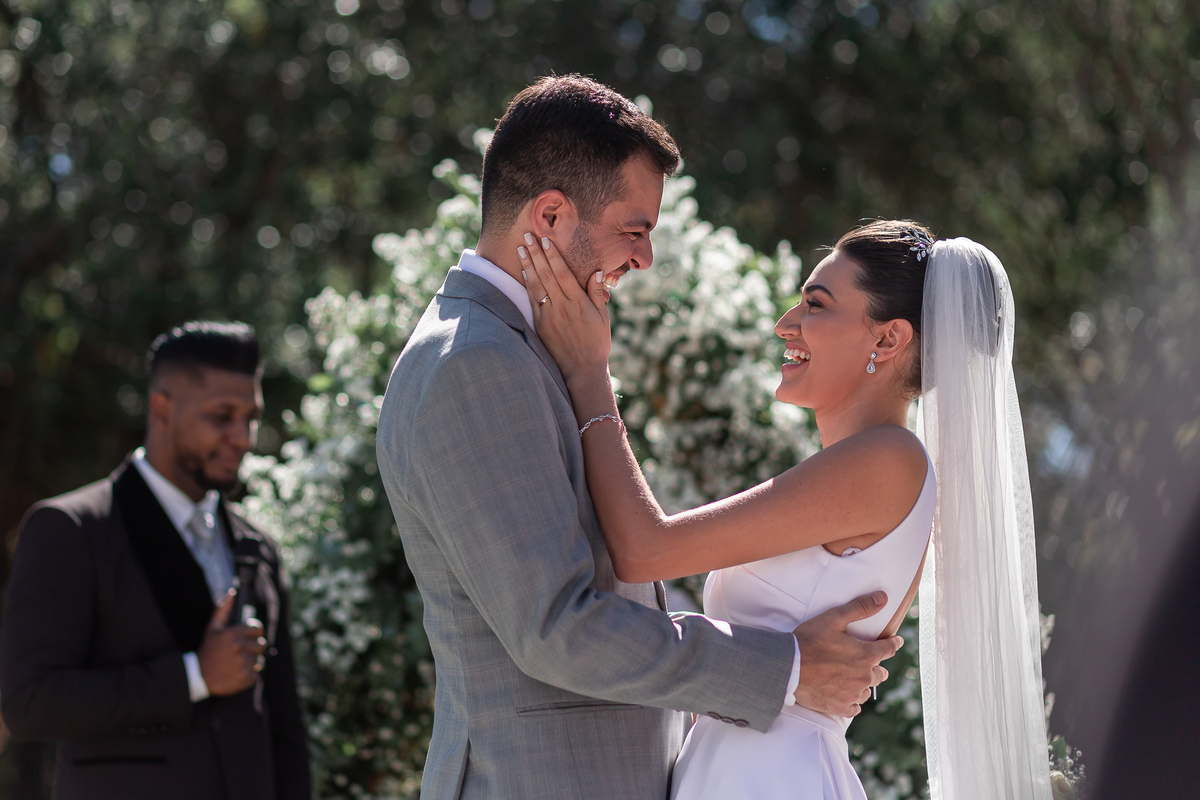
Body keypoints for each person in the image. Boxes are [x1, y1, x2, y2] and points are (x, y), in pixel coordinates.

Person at [375, 75, 902, 800]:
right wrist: (784, 668)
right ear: (552, 215)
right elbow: (555, 629)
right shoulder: (476, 365)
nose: (644, 259)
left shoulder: (522, 352)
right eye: (635, 231)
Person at [522, 220, 1053, 799]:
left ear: (887, 339)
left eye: (816, 305)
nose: (785, 324)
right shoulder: (862, 467)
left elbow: (646, 549)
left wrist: (589, 370)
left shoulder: (888, 460)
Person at [0, 321, 311, 800]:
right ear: (162, 409)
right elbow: (30, 703)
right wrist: (193, 676)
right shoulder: (70, 530)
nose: (243, 437)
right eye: (221, 416)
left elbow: (284, 729)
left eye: (250, 416)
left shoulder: (257, 547)